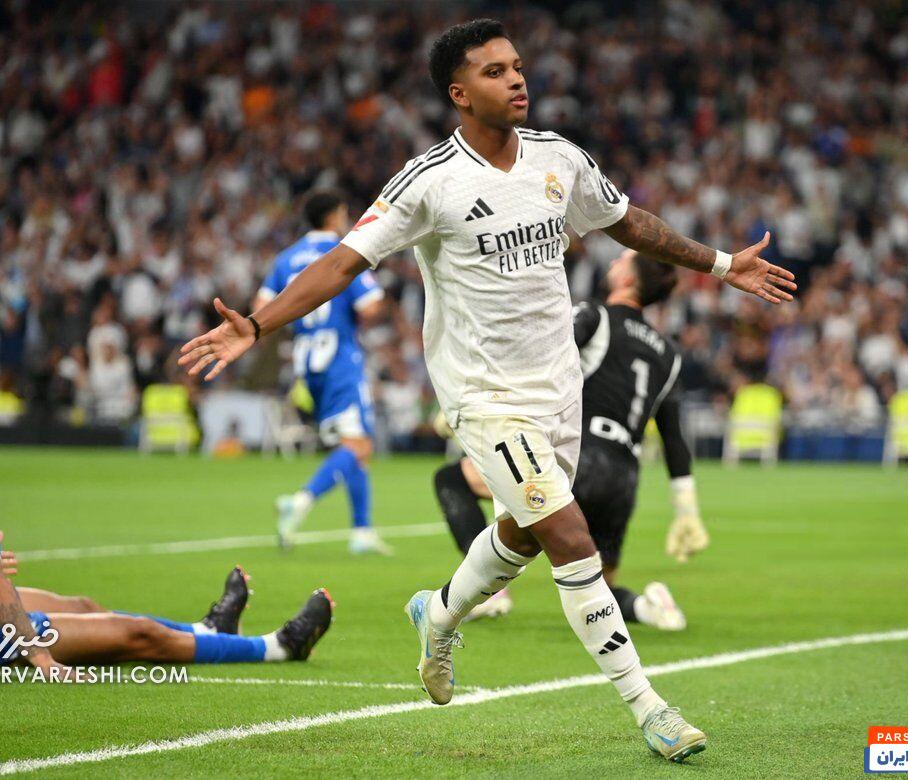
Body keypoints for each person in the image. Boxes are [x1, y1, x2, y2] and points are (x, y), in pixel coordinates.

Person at [178, 19, 794, 761]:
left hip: (558, 387)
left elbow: (630, 223)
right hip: (483, 396)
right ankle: (650, 708)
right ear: (460, 93)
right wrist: (257, 323)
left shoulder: (559, 158)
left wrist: (723, 265)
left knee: (524, 534)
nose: (517, 79)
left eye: (518, 66)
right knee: (569, 536)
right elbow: (343, 262)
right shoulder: (428, 180)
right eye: (495, 71)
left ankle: (438, 615)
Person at [0, 376, 332, 670]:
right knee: (139, 636)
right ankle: (278, 646)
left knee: (84, 605)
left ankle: (210, 630)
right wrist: (39, 654)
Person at [434, 249, 707, 629]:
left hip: (578, 458)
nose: (612, 263)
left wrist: (477, 401)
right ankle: (647, 607)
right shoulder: (669, 354)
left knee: (452, 479)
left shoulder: (595, 316)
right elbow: (673, 439)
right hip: (623, 478)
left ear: (629, 279)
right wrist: (686, 510)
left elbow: (540, 357)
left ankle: (488, 591)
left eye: (621, 259)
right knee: (596, 591)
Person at [252, 190, 392, 555]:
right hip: (340, 358)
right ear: (334, 216)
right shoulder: (342, 252)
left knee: (353, 446)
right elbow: (371, 306)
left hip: (306, 361)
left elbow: (261, 306)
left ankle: (362, 531)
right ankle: (299, 502)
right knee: (359, 445)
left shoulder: (286, 258)